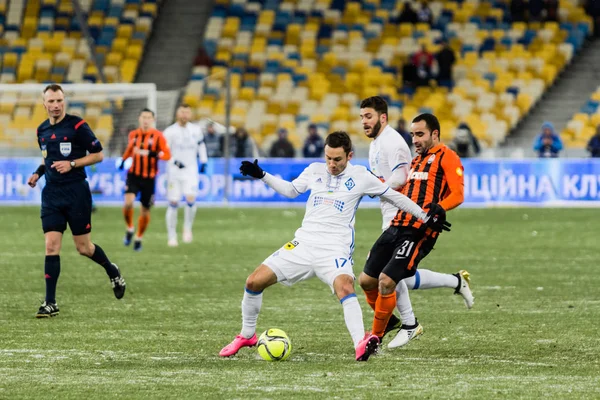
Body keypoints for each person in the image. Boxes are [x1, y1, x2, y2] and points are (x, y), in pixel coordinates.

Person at [219, 132, 447, 361]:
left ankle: (360, 343)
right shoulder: (314, 170)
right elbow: (291, 190)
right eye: (328, 158)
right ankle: (247, 335)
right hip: (303, 243)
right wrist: (262, 175)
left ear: (349, 156)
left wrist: (424, 216)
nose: (331, 164)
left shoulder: (361, 176)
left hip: (334, 249)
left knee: (345, 287)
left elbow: (394, 197)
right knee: (253, 281)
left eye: (337, 159)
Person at [361, 98, 473, 348]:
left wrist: (440, 207)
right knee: (368, 280)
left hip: (418, 230)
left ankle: (378, 337)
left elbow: (458, 193)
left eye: (420, 134)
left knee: (389, 280)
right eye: (413, 135)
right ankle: (454, 283)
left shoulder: (447, 156)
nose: (415, 140)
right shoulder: (416, 160)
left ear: (435, 134)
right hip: (397, 224)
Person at [27, 84, 126, 318]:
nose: (55, 105)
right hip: (51, 194)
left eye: (59, 100)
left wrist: (72, 164)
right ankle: (50, 303)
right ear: (44, 104)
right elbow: (49, 159)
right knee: (51, 245)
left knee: (84, 248)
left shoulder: (77, 125)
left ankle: (111, 269)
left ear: (64, 102)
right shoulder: (41, 130)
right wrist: (38, 173)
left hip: (76, 193)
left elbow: (98, 154)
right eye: (51, 101)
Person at [119, 108, 171, 251]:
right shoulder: (133, 135)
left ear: (153, 120)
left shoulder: (158, 136)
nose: (146, 120)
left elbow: (167, 155)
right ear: (139, 119)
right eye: (144, 117)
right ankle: (130, 228)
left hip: (149, 178)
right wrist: (124, 160)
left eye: (149, 117)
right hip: (134, 175)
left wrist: (152, 154)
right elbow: (130, 149)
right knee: (128, 203)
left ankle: (139, 237)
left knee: (145, 211)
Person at [163, 104, 208, 247]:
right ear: (177, 114)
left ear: (190, 114)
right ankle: (172, 236)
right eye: (182, 112)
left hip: (190, 170)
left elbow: (201, 145)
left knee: (190, 198)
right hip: (174, 172)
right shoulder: (169, 132)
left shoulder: (196, 130)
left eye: (187, 112)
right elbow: (164, 151)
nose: (184, 115)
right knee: (174, 202)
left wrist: (203, 160)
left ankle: (187, 228)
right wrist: (174, 162)